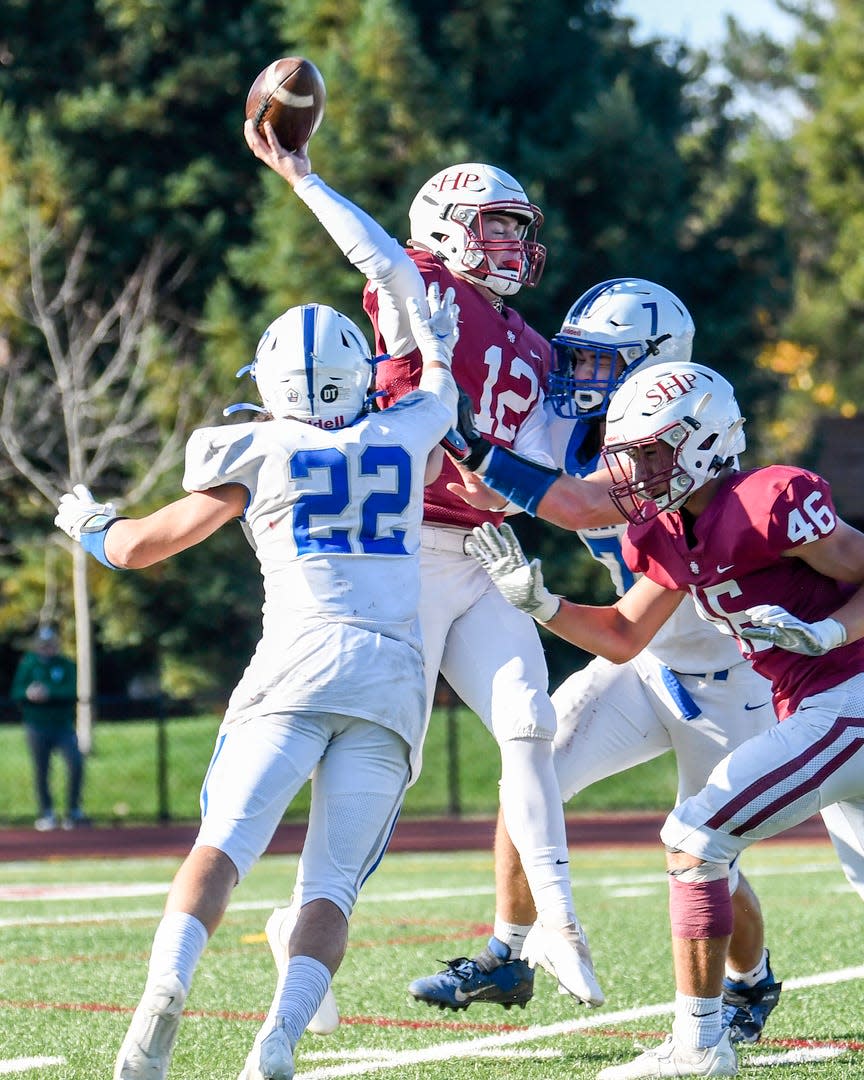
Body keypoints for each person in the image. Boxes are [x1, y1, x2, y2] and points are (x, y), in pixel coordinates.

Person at [54, 283, 459, 1080]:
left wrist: (92, 526)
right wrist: (436, 342)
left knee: (223, 849)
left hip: (293, 667)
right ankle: (277, 1039)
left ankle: (165, 989)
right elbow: (440, 391)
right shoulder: (407, 432)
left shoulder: (256, 450)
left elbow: (140, 548)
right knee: (330, 887)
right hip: (389, 681)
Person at [243, 123, 604, 1010]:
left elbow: (553, 470)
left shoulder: (535, 344)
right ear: (444, 226)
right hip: (399, 557)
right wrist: (305, 179)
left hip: (480, 557)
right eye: (496, 225)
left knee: (531, 726)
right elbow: (379, 260)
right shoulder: (428, 289)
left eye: (520, 228)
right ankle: (299, 926)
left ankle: (557, 922)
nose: (515, 243)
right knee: (382, 770)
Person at [462, 360, 864, 1078]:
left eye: (649, 452)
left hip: (852, 695)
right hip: (817, 706)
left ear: (704, 440)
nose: (633, 470)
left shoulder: (769, 500)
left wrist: (831, 633)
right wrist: (542, 604)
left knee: (694, 836)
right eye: (628, 454)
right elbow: (622, 634)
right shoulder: (670, 531)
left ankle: (699, 1046)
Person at [409, 279, 781, 1046]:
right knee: (530, 762)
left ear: (656, 365)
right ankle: (508, 953)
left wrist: (467, 439)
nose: (579, 377)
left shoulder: (683, 446)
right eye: (576, 358)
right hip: (644, 663)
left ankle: (752, 980)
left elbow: (581, 505)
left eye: (600, 363)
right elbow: (512, 460)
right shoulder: (578, 425)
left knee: (706, 852)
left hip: (724, 680)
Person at [10, 624, 88, 831]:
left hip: (63, 726)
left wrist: (48, 693)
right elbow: (16, 691)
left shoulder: (66, 664)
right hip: (36, 726)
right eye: (43, 645)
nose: (47, 648)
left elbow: (71, 691)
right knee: (42, 771)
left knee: (75, 763)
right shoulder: (28, 664)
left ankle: (73, 811)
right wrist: (28, 694)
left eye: (51, 644)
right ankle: (46, 812)